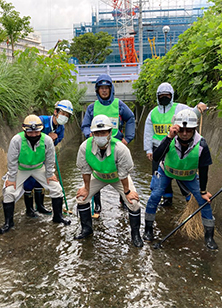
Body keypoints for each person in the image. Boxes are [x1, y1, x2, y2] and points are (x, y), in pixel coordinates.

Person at [143, 109, 217, 249]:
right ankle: (148, 230)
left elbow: (204, 169)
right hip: (167, 172)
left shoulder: (202, 145)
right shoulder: (169, 139)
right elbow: (157, 157)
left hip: (188, 176)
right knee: (155, 196)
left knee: (204, 202)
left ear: (194, 129)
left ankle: (209, 237)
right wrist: (169, 137)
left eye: (188, 130)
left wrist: (203, 190)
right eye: (181, 130)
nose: (184, 134)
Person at [75, 114, 143, 247]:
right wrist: (86, 188)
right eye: (97, 133)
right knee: (81, 198)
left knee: (133, 203)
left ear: (110, 133)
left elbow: (124, 174)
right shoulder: (84, 147)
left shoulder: (121, 149)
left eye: (104, 132)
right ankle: (87, 229)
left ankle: (135, 235)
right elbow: (85, 170)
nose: (100, 135)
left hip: (118, 177)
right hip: (99, 176)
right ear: (92, 133)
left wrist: (127, 191)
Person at [0, 114, 71, 234]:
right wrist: (11, 178)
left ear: (41, 130)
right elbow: (12, 160)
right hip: (21, 168)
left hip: (38, 167)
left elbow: (50, 159)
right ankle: (8, 223)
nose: (33, 135)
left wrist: (50, 174)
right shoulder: (16, 140)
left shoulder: (47, 140)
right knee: (9, 191)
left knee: (56, 188)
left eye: (36, 132)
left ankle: (58, 217)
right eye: (30, 132)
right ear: (24, 130)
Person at [143, 82, 207, 207]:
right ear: (158, 96)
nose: (164, 97)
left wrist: (200, 107)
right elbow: (148, 132)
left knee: (179, 171)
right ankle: (167, 199)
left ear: (171, 95)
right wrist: (148, 150)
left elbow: (193, 114)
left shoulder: (180, 108)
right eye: (162, 96)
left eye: (167, 95)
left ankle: (190, 199)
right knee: (160, 175)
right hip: (159, 148)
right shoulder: (153, 113)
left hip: (176, 146)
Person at [81, 74, 136, 214]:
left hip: (115, 146)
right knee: (97, 171)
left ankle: (123, 198)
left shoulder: (119, 105)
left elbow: (130, 119)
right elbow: (85, 125)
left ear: (111, 89)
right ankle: (97, 204)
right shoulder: (92, 107)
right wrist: (90, 135)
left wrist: (128, 139)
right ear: (97, 90)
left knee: (121, 171)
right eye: (101, 88)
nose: (104, 91)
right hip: (97, 145)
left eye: (107, 88)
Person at [23, 100, 73, 217]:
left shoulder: (61, 128)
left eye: (67, 115)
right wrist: (45, 137)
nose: (64, 117)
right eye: (63, 113)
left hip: (44, 158)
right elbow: (28, 135)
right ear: (55, 112)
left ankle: (40, 206)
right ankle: (29, 209)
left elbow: (56, 142)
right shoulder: (40, 120)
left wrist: (53, 140)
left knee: (40, 181)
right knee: (29, 182)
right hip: (30, 156)